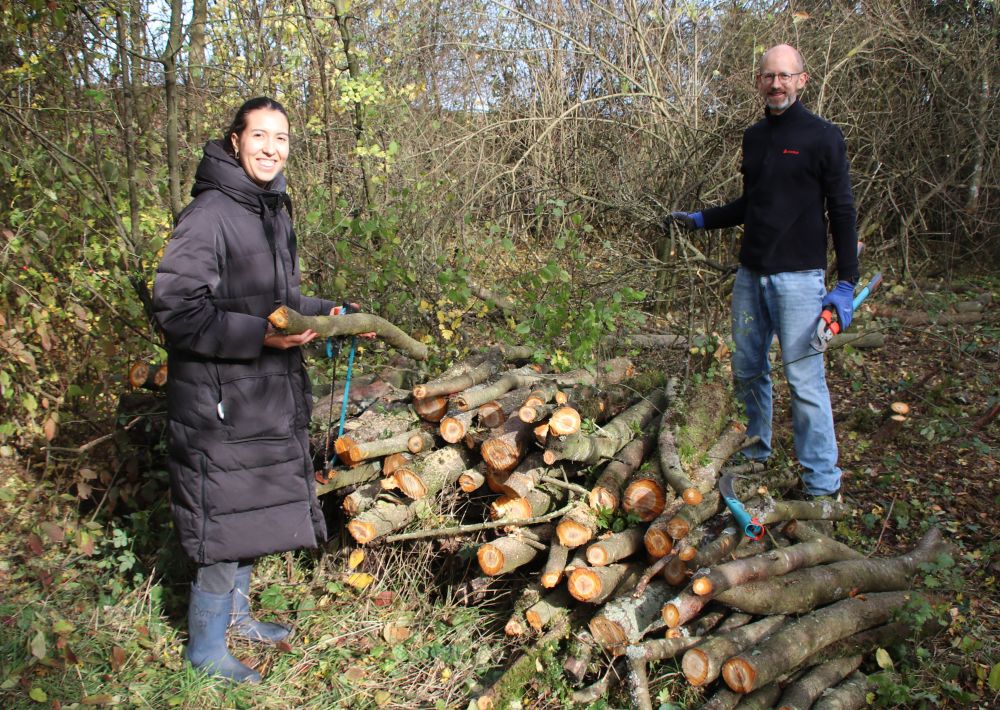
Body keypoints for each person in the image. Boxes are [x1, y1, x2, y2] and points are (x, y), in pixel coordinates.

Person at [154, 97, 345, 683]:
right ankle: (205, 650)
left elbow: (276, 301)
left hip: (261, 394)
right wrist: (260, 336)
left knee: (247, 513)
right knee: (222, 521)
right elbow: (177, 310)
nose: (271, 148)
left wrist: (333, 313)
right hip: (218, 402)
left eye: (281, 138)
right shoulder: (209, 213)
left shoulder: (271, 210)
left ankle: (237, 619)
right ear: (235, 140)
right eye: (259, 135)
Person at [671, 44, 859, 499]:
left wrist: (846, 283)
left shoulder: (823, 136)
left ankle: (822, 484)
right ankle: (754, 453)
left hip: (799, 280)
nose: (776, 84)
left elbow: (842, 209)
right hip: (750, 276)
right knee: (748, 371)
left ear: (802, 80)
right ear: (758, 81)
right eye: (768, 76)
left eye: (785, 75)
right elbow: (751, 204)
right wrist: (700, 219)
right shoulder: (754, 137)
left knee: (804, 381)